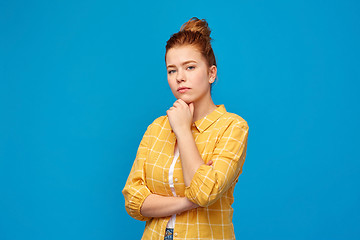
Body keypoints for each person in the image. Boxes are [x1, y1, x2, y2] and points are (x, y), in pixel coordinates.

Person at [122, 17, 249, 240]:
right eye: (172, 70)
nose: (180, 77)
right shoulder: (157, 128)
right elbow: (133, 201)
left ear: (211, 73)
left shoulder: (232, 127)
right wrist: (186, 202)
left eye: (190, 67)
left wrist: (183, 131)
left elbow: (203, 192)